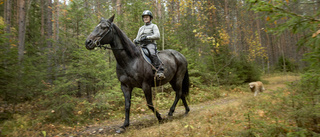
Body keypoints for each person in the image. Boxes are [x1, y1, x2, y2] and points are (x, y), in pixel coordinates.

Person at [133, 10, 165, 80]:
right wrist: (135, 40)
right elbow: (137, 37)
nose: (145, 18)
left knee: (152, 53)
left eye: (147, 17)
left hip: (150, 44)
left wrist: (147, 37)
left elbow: (157, 36)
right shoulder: (141, 28)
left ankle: (160, 70)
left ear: (150, 18)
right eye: (144, 17)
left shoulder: (153, 26)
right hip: (141, 45)